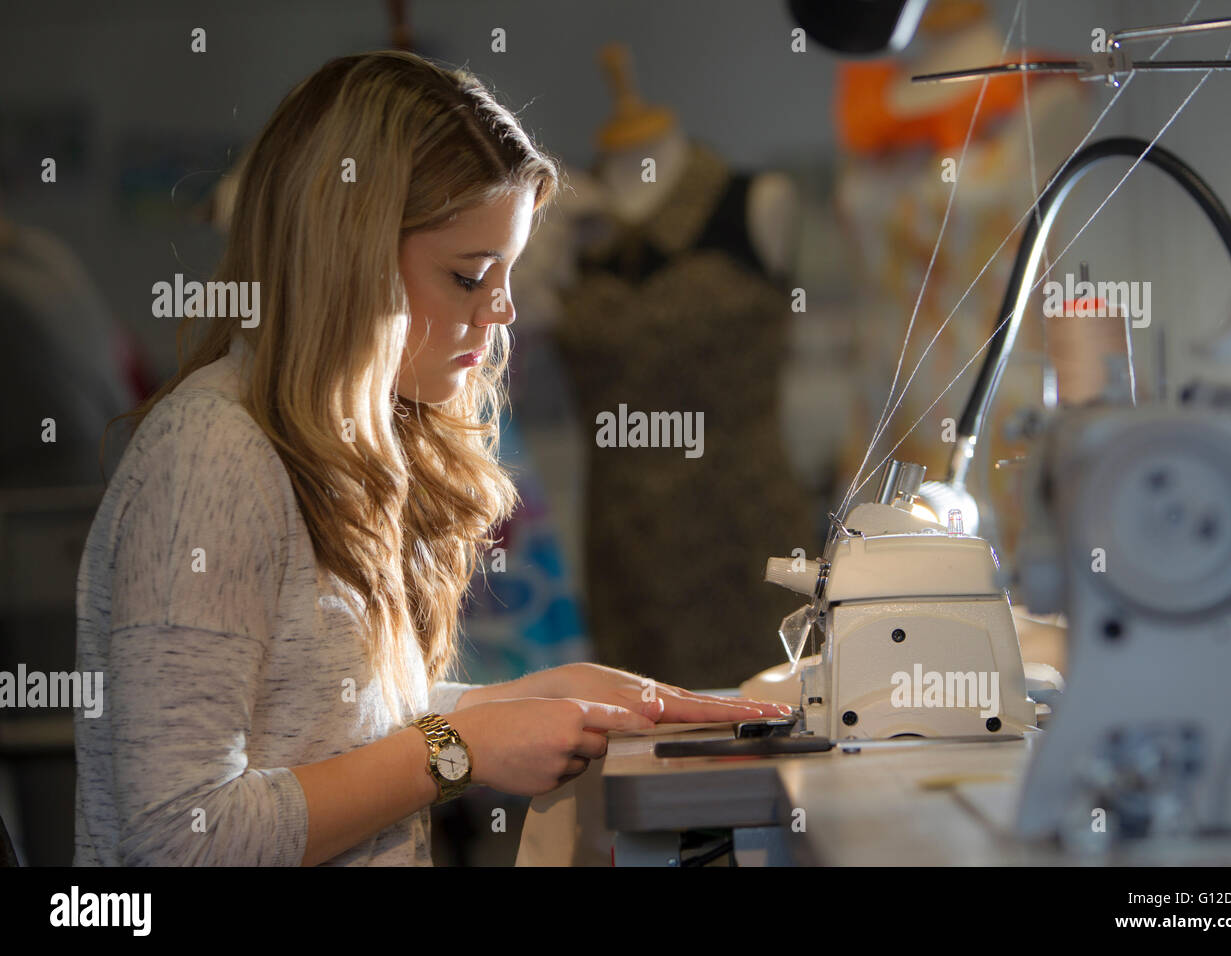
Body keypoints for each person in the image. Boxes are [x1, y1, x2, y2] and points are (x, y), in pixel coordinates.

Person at [74, 51, 788, 867]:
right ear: (349, 256)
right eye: (469, 275)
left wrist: (522, 698)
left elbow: (323, 728)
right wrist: (461, 746)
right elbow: (175, 836)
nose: (505, 310)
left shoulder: (341, 447)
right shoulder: (212, 456)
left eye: (507, 273)